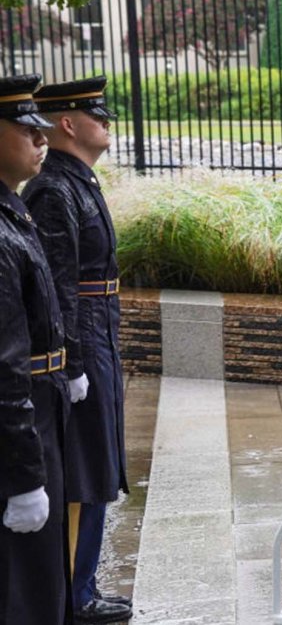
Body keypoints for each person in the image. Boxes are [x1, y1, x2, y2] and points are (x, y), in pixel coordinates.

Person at [21, 76, 132, 622]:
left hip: (99, 329)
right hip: (83, 334)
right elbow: (58, 284)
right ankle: (74, 592)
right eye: (98, 115)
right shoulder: (52, 188)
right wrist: (73, 361)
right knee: (82, 466)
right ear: (68, 122)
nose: (106, 123)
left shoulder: (77, 180)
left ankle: (82, 583)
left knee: (99, 462)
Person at [0, 73, 72, 624]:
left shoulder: (14, 211)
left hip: (40, 409)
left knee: (44, 575)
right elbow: (4, 367)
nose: (41, 140)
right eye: (26, 131)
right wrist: (25, 476)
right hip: (21, 422)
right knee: (24, 586)